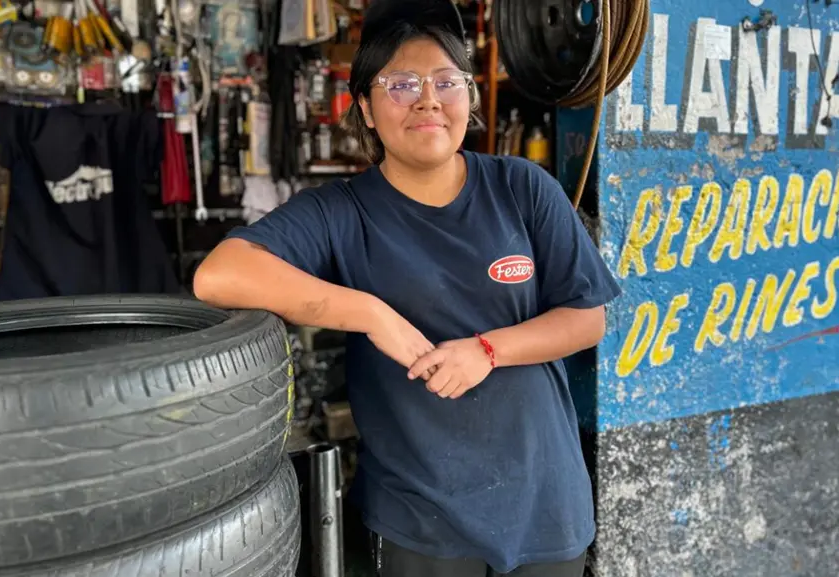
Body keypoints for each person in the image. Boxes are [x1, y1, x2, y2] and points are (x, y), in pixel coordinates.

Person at [192, 1, 621, 575]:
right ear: (365, 109)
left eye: (447, 81)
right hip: (421, 519)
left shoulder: (522, 188)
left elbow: (587, 318)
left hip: (545, 505)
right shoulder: (341, 212)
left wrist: (487, 351)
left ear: (468, 96)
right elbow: (219, 275)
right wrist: (370, 313)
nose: (428, 100)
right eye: (401, 84)